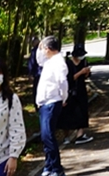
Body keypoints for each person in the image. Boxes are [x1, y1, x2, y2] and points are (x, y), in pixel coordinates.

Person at [35, 36, 69, 176]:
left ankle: (57, 168)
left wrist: (63, 97)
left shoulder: (58, 62)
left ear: (48, 49)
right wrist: (40, 45)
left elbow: (63, 82)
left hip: (52, 102)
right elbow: (39, 60)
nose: (42, 51)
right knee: (45, 136)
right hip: (44, 103)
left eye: (43, 48)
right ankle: (48, 166)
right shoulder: (49, 61)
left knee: (48, 135)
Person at [59, 48, 93, 145]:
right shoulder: (68, 64)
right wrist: (80, 72)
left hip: (81, 90)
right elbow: (70, 78)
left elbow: (87, 76)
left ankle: (80, 135)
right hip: (69, 92)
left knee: (82, 112)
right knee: (67, 114)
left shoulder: (84, 62)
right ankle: (66, 136)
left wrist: (86, 73)